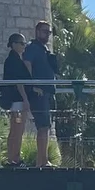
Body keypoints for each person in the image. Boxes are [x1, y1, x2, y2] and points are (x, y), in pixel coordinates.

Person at [24, 20, 62, 168]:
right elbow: (27, 65)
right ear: (37, 32)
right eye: (45, 31)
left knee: (46, 126)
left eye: (49, 32)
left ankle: (41, 161)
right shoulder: (32, 48)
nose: (47, 35)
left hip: (48, 92)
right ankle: (43, 161)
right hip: (39, 93)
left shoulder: (44, 49)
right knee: (43, 126)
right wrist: (32, 85)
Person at [0, 33, 32, 166]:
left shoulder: (14, 59)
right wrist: (25, 99)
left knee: (15, 129)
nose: (24, 46)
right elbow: (19, 82)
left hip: (16, 100)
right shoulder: (14, 61)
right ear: (14, 44)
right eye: (21, 43)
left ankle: (12, 157)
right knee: (18, 129)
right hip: (17, 101)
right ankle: (14, 158)